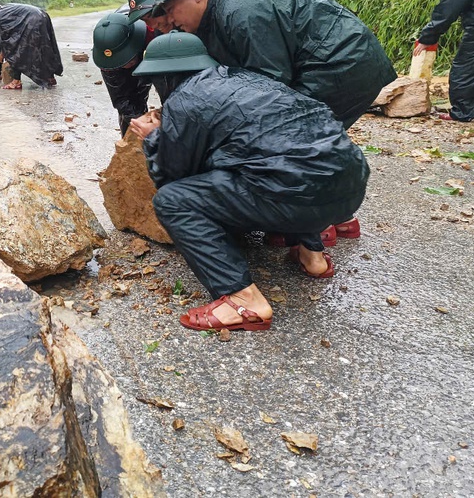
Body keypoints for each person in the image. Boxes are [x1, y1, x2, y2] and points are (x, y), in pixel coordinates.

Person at [128, 33, 369, 332]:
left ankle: (243, 299)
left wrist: (154, 138)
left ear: (164, 78)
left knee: (172, 201)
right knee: (285, 166)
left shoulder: (185, 100)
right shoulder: (245, 79)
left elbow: (172, 177)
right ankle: (313, 256)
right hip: (351, 187)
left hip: (299, 198)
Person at [154, 0, 396, 129]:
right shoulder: (217, 15)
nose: (170, 19)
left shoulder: (239, 13)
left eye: (171, 9)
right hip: (326, 61)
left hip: (342, 61)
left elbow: (269, 85)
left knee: (292, 129)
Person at [0, 3, 63, 90]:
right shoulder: (2, 11)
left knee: (17, 51)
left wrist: (3, 53)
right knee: (43, 47)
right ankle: (50, 77)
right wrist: (3, 51)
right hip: (41, 15)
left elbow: (10, 43)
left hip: (33, 20)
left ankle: (16, 82)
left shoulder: (1, 18)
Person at [93, 13, 153, 136]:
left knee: (143, 93)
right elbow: (120, 98)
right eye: (121, 63)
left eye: (128, 60)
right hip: (121, 56)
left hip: (146, 50)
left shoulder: (152, 33)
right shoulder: (105, 56)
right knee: (128, 110)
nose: (125, 65)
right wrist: (138, 121)